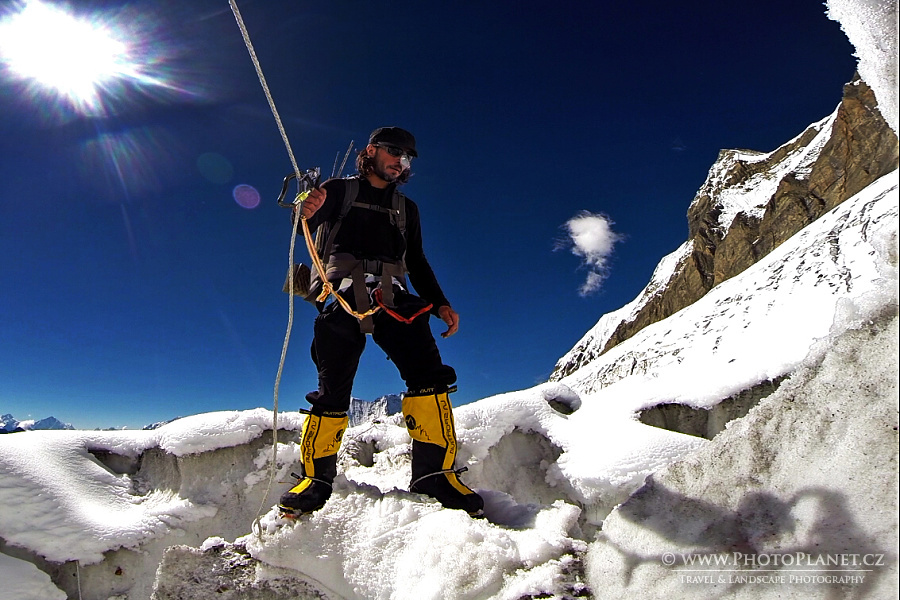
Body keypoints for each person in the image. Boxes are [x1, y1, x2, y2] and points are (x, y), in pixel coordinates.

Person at [278, 126, 484, 518]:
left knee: (430, 376)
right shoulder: (338, 190)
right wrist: (306, 206)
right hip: (341, 294)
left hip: (395, 297)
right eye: (394, 152)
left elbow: (417, 260)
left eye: (407, 157)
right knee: (332, 388)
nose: (401, 162)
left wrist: (440, 303)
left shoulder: (407, 209)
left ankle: (434, 476)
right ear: (371, 151)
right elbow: (305, 217)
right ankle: (315, 479)